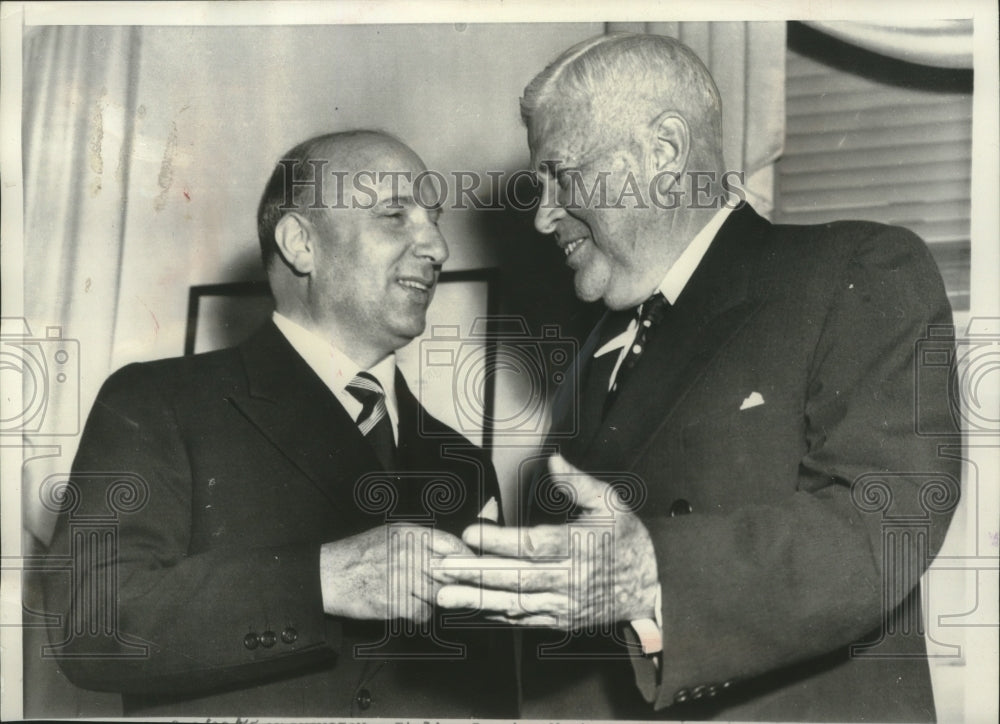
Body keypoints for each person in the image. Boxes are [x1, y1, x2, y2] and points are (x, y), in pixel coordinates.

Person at [434, 33, 960, 721]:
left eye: (561, 175)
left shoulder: (854, 269)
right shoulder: (598, 355)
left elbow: (887, 521)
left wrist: (656, 575)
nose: (542, 216)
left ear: (664, 152)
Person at [43, 130, 515, 718]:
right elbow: (89, 623)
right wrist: (320, 581)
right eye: (395, 214)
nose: (438, 247)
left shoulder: (464, 463)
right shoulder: (156, 402)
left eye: (435, 219)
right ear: (300, 243)